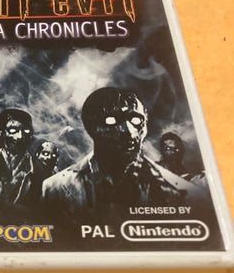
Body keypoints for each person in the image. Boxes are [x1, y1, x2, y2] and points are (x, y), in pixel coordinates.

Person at [42, 87, 197, 221]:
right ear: (91, 127)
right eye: (111, 121)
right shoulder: (54, 187)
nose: (128, 131)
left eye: (136, 120)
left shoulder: (181, 191)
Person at [0, 108, 41, 205]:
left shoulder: (39, 169)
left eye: (26, 130)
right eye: (13, 130)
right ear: (1, 133)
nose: (20, 136)